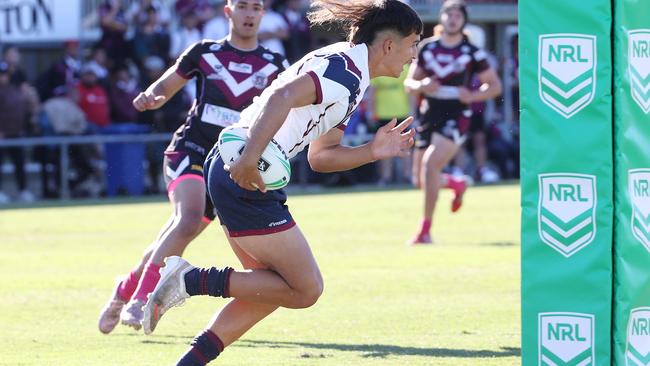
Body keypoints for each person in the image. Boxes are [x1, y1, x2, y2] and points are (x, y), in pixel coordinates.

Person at [142, 1, 422, 364]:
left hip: (242, 163)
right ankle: (189, 279)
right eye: (414, 43)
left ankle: (190, 360)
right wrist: (246, 159)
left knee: (270, 288)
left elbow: (321, 157)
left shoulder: (352, 74)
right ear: (388, 45)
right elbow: (282, 96)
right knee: (306, 289)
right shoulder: (345, 73)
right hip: (244, 166)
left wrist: (372, 150)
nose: (414, 55)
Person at [97, 0, 288, 334]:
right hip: (191, 149)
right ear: (228, 12)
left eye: (255, 7)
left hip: (228, 166)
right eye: (242, 6)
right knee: (186, 220)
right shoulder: (204, 52)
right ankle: (141, 298)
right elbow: (165, 86)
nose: (248, 13)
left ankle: (122, 291)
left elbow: (289, 110)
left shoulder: (275, 65)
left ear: (263, 14)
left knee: (176, 232)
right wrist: (151, 97)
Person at [404, 0, 501, 244]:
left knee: (429, 167)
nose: (453, 18)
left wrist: (474, 95)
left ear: (464, 21)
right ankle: (455, 183)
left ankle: (424, 230)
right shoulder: (427, 48)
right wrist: (422, 85)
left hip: (457, 114)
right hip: (429, 112)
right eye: (449, 14)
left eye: (458, 15)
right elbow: (409, 84)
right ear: (441, 18)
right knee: (420, 180)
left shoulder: (472, 52)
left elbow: (495, 86)